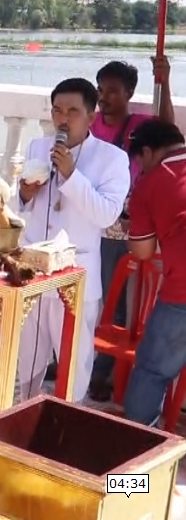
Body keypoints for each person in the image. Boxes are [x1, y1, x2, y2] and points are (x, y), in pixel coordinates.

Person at [16, 78, 129, 402]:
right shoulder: (38, 147)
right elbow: (21, 204)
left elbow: (107, 215)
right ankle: (25, 409)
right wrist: (24, 193)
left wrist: (70, 175)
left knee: (73, 360)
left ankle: (70, 414)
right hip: (34, 269)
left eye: (73, 111)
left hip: (76, 275)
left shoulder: (111, 159)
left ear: (91, 116)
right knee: (28, 354)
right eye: (57, 110)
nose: (63, 118)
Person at [88, 57, 174, 401]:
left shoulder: (138, 125)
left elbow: (167, 129)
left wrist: (164, 81)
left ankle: (102, 372)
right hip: (92, 218)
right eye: (100, 90)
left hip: (125, 227)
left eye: (112, 91)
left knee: (116, 302)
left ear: (129, 94)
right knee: (82, 295)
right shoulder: (91, 125)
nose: (104, 97)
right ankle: (70, 357)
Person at [121, 119, 186, 426]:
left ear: (147, 153)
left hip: (182, 297)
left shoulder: (150, 183)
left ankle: (132, 469)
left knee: (150, 373)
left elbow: (143, 251)